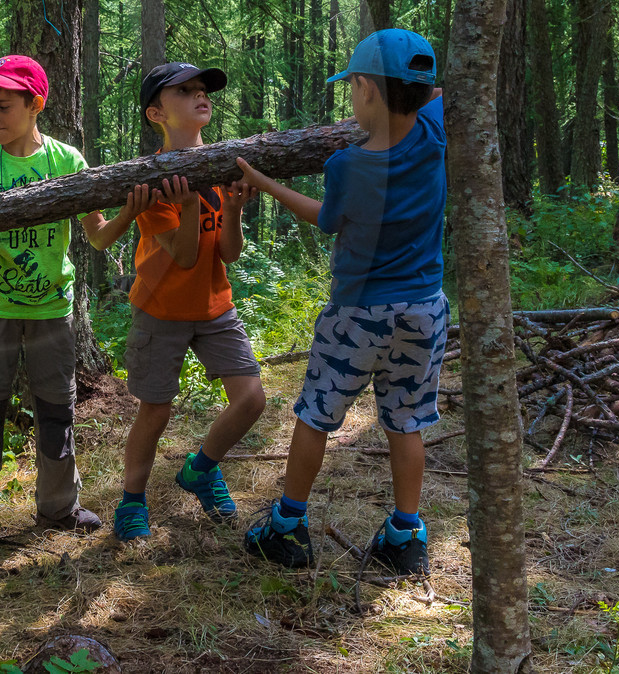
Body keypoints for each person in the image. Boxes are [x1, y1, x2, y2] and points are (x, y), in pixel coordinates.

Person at [0, 55, 156, 549]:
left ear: (35, 104)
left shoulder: (66, 162)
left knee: (56, 412)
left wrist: (129, 213)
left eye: (4, 106)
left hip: (53, 311)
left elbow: (96, 238)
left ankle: (58, 509)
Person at [236, 29, 447, 574]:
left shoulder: (348, 166)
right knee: (406, 421)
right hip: (424, 309)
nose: (351, 96)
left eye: (353, 84)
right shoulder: (433, 134)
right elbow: (443, 96)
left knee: (316, 416)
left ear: (370, 90)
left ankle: (287, 526)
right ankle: (405, 534)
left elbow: (326, 220)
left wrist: (263, 181)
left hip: (357, 314)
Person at [103, 63, 266, 542]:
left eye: (203, 90)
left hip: (216, 306)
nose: (201, 95)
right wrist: (192, 204)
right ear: (157, 113)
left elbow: (228, 254)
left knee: (252, 398)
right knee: (156, 410)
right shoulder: (155, 181)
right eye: (186, 91)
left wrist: (232, 210)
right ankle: (132, 500)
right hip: (161, 310)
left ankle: (201, 469)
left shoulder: (221, 164)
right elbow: (186, 255)